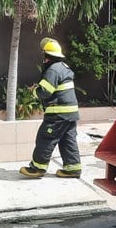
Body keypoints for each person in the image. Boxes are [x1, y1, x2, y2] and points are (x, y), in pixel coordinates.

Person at [19, 38, 82, 179]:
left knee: (45, 138)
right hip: (70, 113)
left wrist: (35, 90)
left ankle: (37, 168)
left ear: (47, 56)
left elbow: (45, 92)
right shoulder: (63, 67)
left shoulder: (53, 70)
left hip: (58, 113)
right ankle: (73, 168)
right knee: (67, 140)